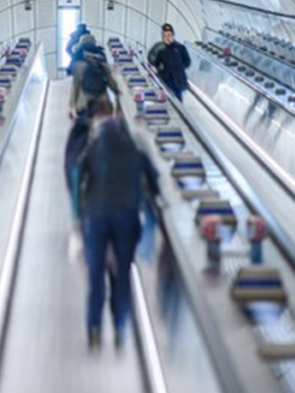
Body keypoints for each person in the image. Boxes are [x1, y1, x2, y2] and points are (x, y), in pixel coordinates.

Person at [72, 117, 161, 348]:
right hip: (126, 215)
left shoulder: (93, 150)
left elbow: (77, 174)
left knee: (96, 277)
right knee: (122, 275)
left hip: (97, 215)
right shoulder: (135, 150)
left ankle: (94, 330)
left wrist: (79, 214)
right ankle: (120, 327)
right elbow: (155, 182)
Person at [69, 34, 119, 119]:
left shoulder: (79, 66)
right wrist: (117, 92)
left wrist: (71, 106)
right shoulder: (102, 63)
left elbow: (75, 87)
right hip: (102, 103)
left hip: (84, 104)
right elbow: (112, 83)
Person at [148, 23, 191, 101]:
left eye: (169, 35)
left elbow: (187, 61)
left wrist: (180, 67)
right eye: (165, 36)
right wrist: (158, 70)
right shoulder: (161, 51)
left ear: (173, 36)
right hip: (166, 79)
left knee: (178, 99)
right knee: (167, 98)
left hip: (178, 79)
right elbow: (155, 62)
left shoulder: (180, 48)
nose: (167, 38)